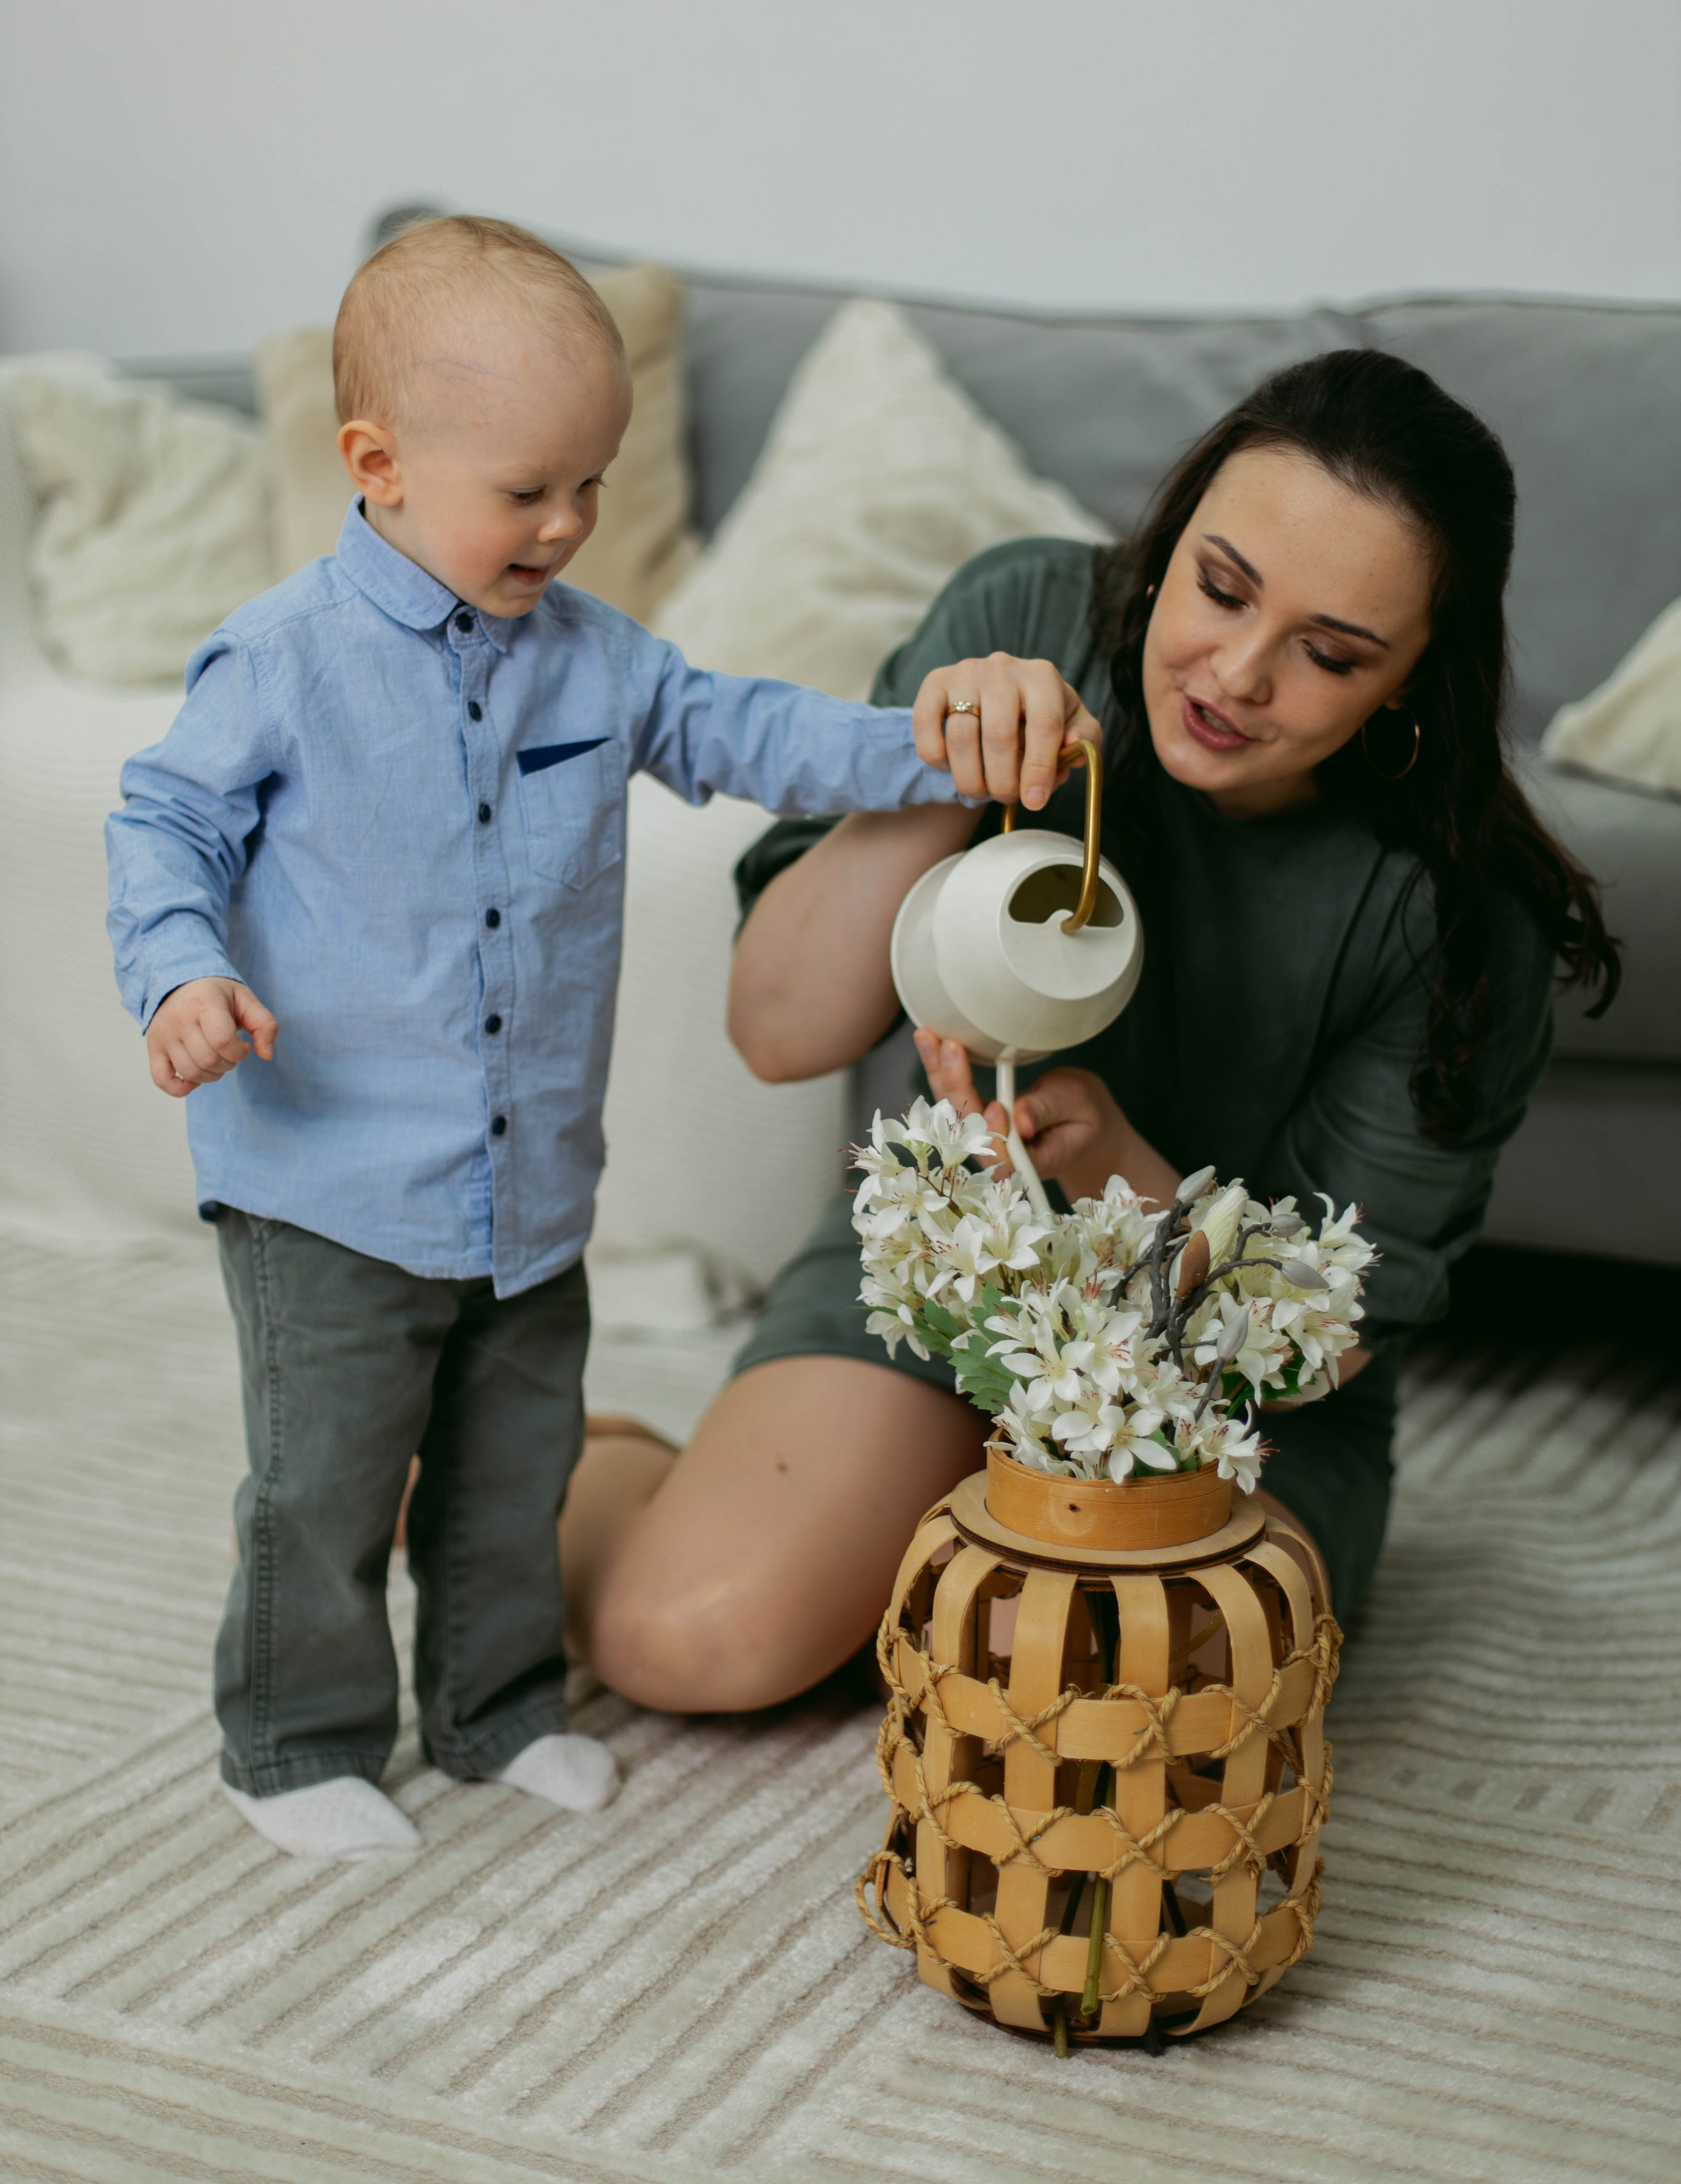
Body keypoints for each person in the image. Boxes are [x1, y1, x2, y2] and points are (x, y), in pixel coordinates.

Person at [103, 215, 1045, 1864]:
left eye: (592, 485)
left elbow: (752, 728)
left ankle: (492, 1709)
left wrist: (924, 747)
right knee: (323, 1483)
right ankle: (292, 1740)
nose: (569, 522)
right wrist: (181, 977)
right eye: (528, 488)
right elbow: (164, 824)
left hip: (527, 1185)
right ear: (377, 465)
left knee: (510, 1467)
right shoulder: (283, 661)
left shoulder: (598, 660)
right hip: (324, 1179)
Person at [559, 347, 1618, 1711]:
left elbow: (1326, 1343)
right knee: (691, 1641)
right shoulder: (1029, 618)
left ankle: (893, 1540)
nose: (1235, 675)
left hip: (1231, 1405)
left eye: (1329, 654)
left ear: (1409, 679)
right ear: (1169, 539)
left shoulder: (1459, 911)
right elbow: (773, 1028)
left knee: (1064, 1687)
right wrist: (928, 778)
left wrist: (1117, 1167)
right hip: (944, 1291)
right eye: (1219, 587)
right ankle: (574, 1465)